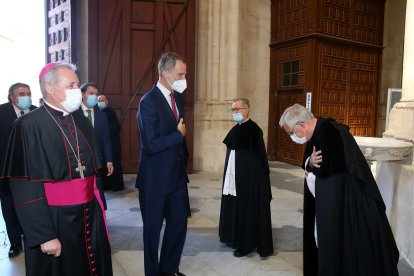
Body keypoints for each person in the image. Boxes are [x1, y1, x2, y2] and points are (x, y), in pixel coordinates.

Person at [0, 63, 113, 276]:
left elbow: (91, 173)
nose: (77, 90)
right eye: (71, 84)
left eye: (77, 84)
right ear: (50, 89)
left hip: (90, 212)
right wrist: (43, 234)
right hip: (54, 218)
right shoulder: (28, 125)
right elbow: (24, 186)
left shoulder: (81, 119)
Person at [279, 104, 399, 276]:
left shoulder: (332, 133)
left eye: (291, 132)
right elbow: (310, 163)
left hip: (345, 206)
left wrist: (314, 169)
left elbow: (334, 173)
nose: (292, 137)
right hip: (325, 203)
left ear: (300, 125)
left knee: (339, 245)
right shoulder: (314, 133)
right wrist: (310, 163)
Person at [136, 52, 189, 276]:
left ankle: (170, 270)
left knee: (178, 226)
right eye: (181, 74)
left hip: (176, 177)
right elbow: (151, 143)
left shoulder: (177, 98)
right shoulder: (148, 102)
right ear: (166, 74)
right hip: (154, 181)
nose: (184, 78)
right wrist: (178, 136)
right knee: (152, 233)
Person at [218, 98, 273, 258]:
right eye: (233, 110)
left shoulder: (253, 130)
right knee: (233, 205)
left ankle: (246, 243)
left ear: (247, 109)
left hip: (247, 181)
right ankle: (232, 236)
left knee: (246, 209)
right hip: (233, 178)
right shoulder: (237, 129)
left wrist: (249, 179)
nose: (234, 113)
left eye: (237, 109)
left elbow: (257, 161)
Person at [0, 82, 37, 258]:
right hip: (7, 170)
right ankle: (15, 242)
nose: (26, 97)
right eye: (22, 94)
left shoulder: (37, 111)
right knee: (9, 207)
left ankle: (31, 237)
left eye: (28, 93)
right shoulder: (1, 112)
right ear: (12, 97)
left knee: (32, 205)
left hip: (33, 170)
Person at [79, 82, 114, 192]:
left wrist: (109, 160)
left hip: (97, 162)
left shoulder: (101, 115)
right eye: (91, 93)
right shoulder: (74, 113)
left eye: (96, 94)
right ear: (83, 94)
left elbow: (106, 139)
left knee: (96, 191)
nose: (94, 96)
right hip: (78, 162)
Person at [97, 95, 125, 191]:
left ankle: (116, 185)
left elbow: (115, 127)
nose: (100, 102)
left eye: (102, 100)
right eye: (99, 100)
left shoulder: (110, 112)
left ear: (107, 102)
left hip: (113, 143)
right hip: (102, 143)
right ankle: (105, 185)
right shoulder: (96, 112)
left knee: (114, 163)